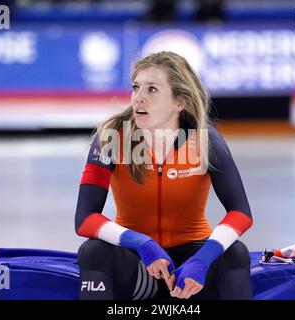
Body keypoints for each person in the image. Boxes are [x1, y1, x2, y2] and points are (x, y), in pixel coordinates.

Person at [74, 51, 253, 300]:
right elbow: (84, 219)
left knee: (236, 253)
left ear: (179, 102)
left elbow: (241, 213)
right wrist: (140, 243)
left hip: (192, 268)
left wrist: (203, 259)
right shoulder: (112, 138)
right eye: (136, 88)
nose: (138, 99)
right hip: (137, 263)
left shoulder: (204, 140)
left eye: (152, 90)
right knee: (93, 251)